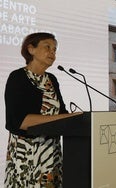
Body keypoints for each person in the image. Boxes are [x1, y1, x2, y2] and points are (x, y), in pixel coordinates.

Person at [4, 32, 81, 187]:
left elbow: (62, 113)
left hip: (51, 154)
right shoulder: (17, 77)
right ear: (31, 49)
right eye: (47, 47)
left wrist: (76, 118)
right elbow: (21, 121)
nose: (52, 52)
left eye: (55, 49)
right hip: (26, 156)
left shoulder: (51, 79)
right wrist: (63, 118)